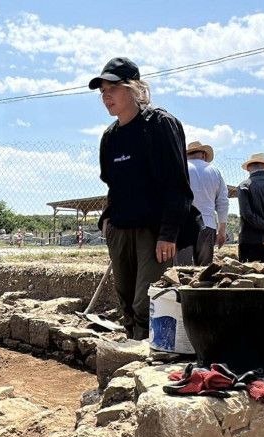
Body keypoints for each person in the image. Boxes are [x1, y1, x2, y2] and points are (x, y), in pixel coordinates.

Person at [91, 57, 198, 340]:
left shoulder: (160, 124)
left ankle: (145, 365)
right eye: (102, 91)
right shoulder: (110, 137)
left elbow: (178, 186)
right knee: (126, 301)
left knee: (146, 302)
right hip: (121, 228)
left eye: (112, 88)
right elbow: (113, 184)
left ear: (134, 88)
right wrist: (107, 222)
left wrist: (169, 234)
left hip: (153, 231)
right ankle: (130, 361)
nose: (106, 96)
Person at [177, 141, 229, 266]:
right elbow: (223, 202)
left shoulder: (181, 168)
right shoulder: (215, 171)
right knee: (204, 271)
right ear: (204, 155)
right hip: (208, 224)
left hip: (183, 225)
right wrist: (222, 231)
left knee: (182, 271)